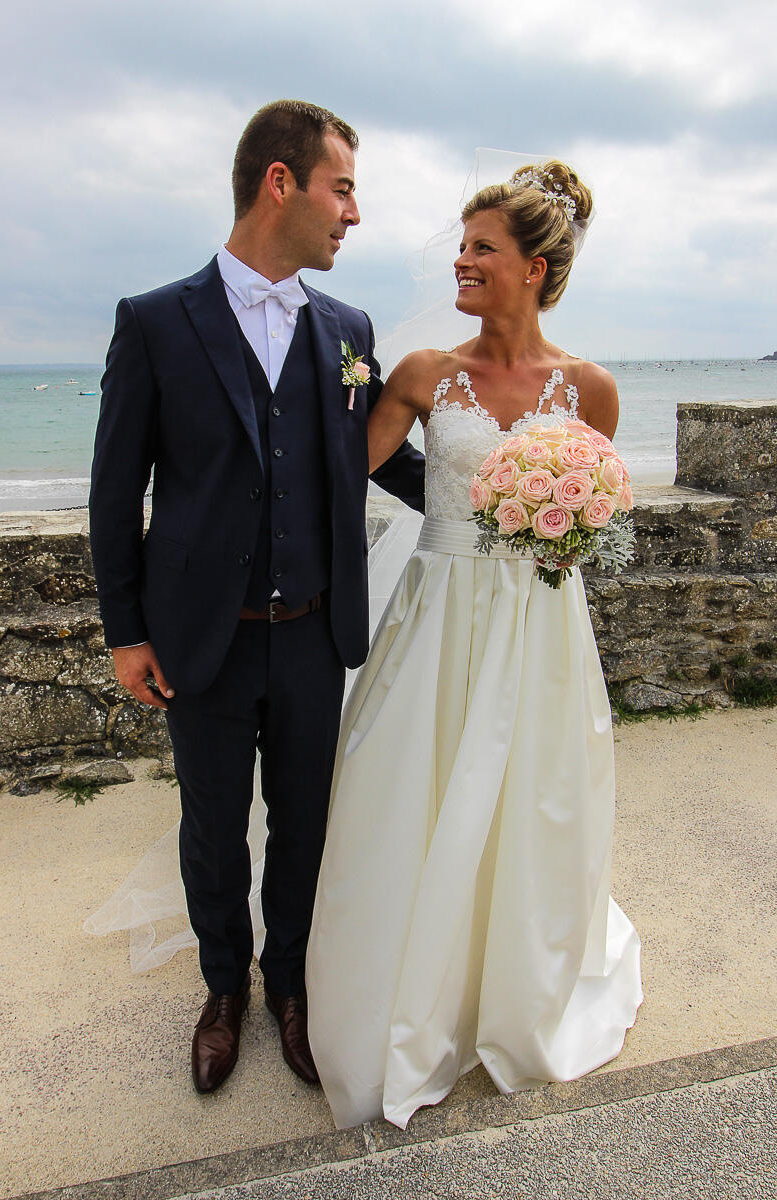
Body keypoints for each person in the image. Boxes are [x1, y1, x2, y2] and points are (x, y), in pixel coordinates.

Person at [88, 99, 425, 1096]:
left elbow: (374, 456)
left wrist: (496, 495)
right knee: (211, 827)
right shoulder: (155, 321)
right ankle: (224, 990)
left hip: (315, 634)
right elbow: (115, 488)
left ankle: (290, 988)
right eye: (342, 189)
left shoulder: (348, 330)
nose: (353, 214)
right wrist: (125, 631)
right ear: (280, 182)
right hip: (204, 638)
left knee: (305, 822)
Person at [306, 160, 643, 1130]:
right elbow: (340, 472)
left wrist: (557, 531)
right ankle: (400, 985)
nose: (460, 260)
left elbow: (594, 527)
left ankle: (510, 986)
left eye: (480, 248)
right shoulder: (423, 374)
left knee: (530, 797)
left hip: (537, 628)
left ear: (533, 268)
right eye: (459, 246)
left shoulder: (589, 389)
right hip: (436, 616)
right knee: (401, 785)